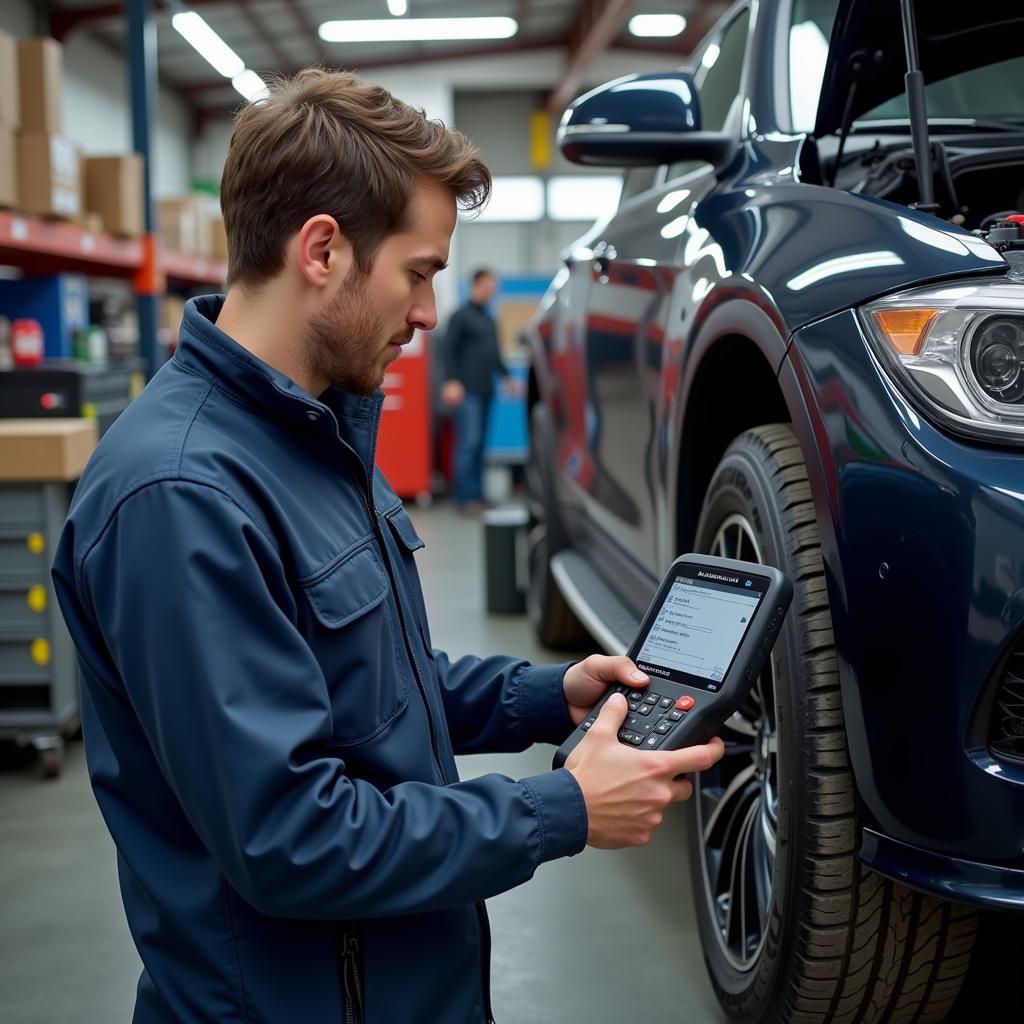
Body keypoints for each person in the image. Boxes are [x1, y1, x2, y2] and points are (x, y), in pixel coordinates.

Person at [51, 69, 724, 1024]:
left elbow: (362, 692)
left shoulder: (314, 435)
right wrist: (561, 808)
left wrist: (547, 694)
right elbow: (291, 836)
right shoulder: (180, 495)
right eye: (419, 272)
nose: (430, 315)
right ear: (322, 249)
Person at [441, 268, 518, 512]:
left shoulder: (489, 319)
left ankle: (478, 495)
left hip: (487, 390)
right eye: (487, 286)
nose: (491, 291)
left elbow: (495, 354)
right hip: (466, 391)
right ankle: (464, 497)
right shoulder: (460, 317)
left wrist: (507, 378)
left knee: (481, 445)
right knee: (469, 443)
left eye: (493, 287)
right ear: (474, 286)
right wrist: (451, 380)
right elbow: (448, 351)